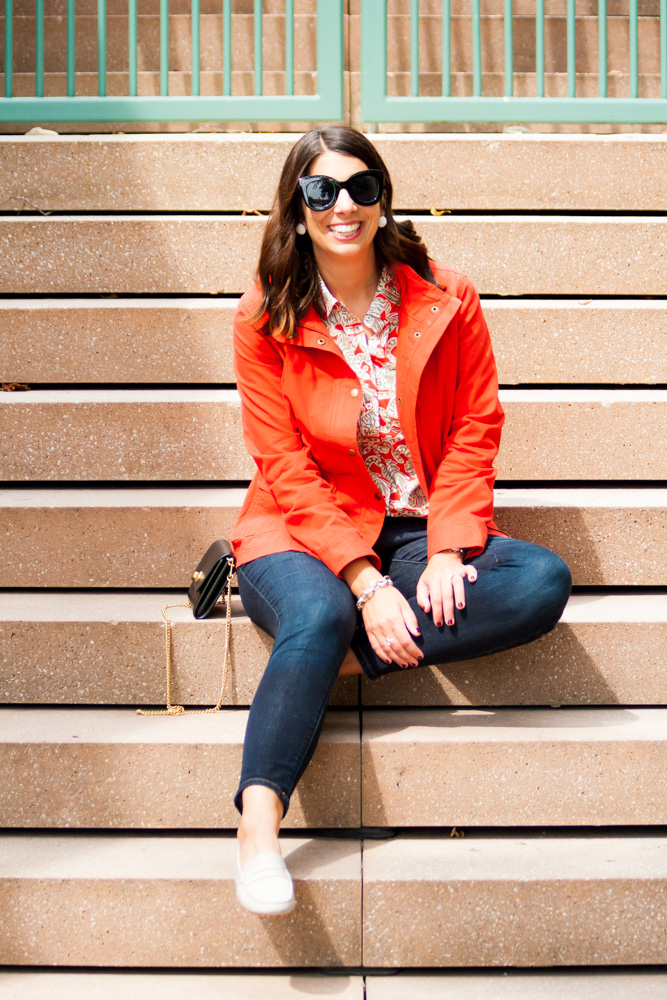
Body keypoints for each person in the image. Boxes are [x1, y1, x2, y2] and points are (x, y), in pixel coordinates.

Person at [230, 125, 572, 915]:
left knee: (538, 582)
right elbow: (283, 465)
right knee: (317, 613)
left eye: (360, 187)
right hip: (300, 527)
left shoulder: (446, 298)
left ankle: (318, 666)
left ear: (383, 198)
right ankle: (257, 833)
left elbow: (472, 430)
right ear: (297, 206)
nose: (342, 205)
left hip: (415, 526)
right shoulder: (263, 318)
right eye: (321, 190)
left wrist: (450, 549)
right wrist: (364, 582)